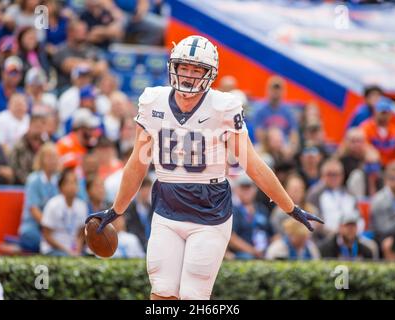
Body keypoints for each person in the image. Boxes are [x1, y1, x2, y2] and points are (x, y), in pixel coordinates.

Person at [86, 35, 323, 300]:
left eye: (196, 69)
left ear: (209, 74)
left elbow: (253, 164)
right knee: (162, 292)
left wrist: (290, 206)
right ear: (172, 66)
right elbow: (137, 163)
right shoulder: (153, 101)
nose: (188, 75)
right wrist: (117, 208)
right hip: (167, 204)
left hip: (210, 209)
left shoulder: (224, 106)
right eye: (184, 67)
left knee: (193, 296)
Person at [18, 143, 59, 253]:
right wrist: (49, 227)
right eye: (49, 157)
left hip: (55, 227)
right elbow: (34, 209)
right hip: (34, 226)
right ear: (41, 159)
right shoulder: (33, 180)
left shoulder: (59, 180)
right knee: (33, 239)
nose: (53, 160)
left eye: (55, 157)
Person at [41, 168, 88, 256]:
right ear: (60, 187)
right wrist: (67, 251)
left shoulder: (82, 206)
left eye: (75, 182)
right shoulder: (52, 204)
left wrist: (77, 250)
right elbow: (47, 235)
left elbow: (81, 234)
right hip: (53, 249)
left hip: (73, 250)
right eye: (68, 183)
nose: (73, 186)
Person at [229, 174, 273, 260]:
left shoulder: (262, 209)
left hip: (265, 251)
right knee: (246, 257)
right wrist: (253, 251)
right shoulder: (233, 210)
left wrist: (270, 249)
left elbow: (273, 234)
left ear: (255, 189)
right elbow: (231, 238)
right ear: (236, 190)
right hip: (244, 254)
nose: (246, 191)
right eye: (243, 188)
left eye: (248, 187)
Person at [360, 97, 395, 168]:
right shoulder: (366, 127)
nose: (384, 116)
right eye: (382, 113)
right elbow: (363, 147)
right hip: (373, 164)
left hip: (391, 166)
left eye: (387, 113)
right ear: (375, 112)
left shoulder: (394, 129)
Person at [9, 114, 47, 185]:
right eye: (36, 127)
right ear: (29, 126)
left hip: (43, 185)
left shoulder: (46, 146)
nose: (38, 130)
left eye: (41, 127)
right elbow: (16, 169)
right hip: (21, 185)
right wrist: (31, 183)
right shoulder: (19, 147)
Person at [125, 177, 153, 251]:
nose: (147, 193)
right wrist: (144, 242)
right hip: (137, 244)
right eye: (145, 190)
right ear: (139, 190)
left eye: (149, 190)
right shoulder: (130, 209)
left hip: (151, 243)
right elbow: (132, 228)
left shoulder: (151, 208)